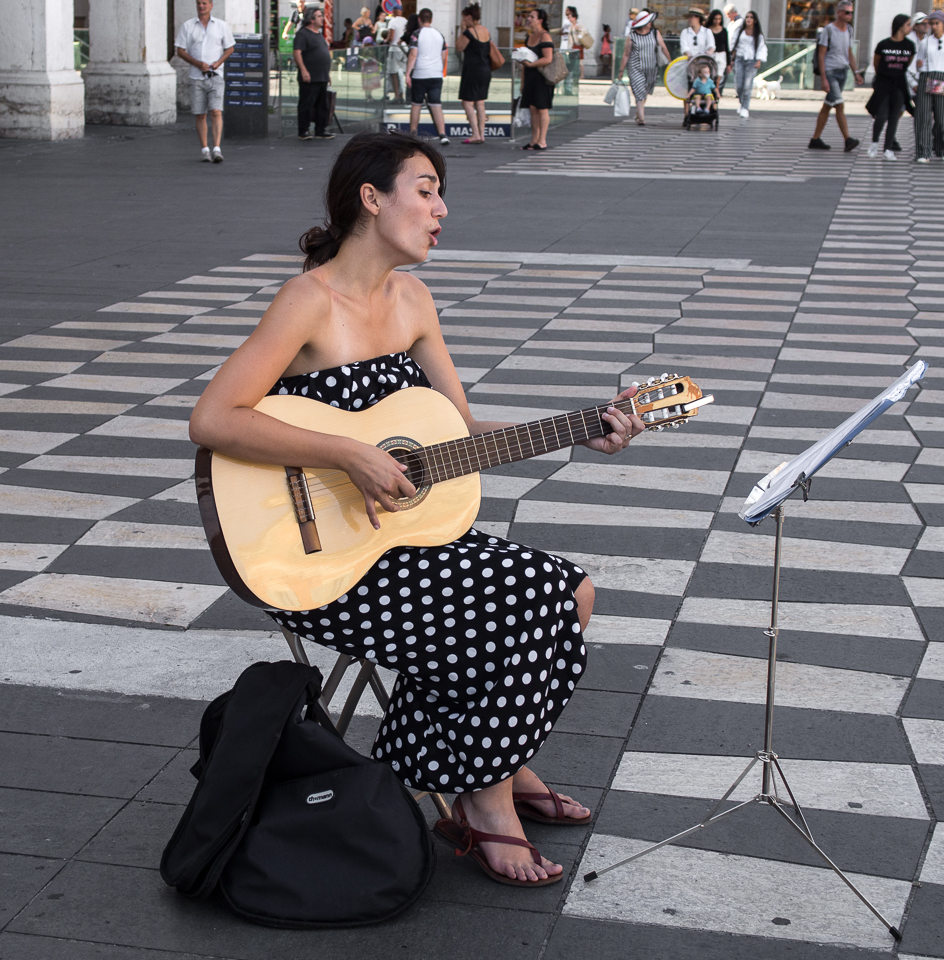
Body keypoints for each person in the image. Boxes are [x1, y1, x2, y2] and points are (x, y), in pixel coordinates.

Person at [189, 131, 642, 886]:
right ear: (372, 199)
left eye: (441, 194)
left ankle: (498, 763)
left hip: (400, 543)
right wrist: (348, 453)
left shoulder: (414, 300)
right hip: (322, 561)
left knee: (573, 591)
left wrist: (582, 428)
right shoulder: (310, 300)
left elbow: (455, 430)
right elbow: (212, 418)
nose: (441, 210)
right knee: (511, 608)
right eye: (426, 190)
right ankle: (483, 801)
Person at [175, 0, 236, 164]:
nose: (201, 6)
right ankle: (204, 149)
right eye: (199, 3)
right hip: (197, 77)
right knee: (200, 114)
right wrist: (197, 63)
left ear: (211, 5)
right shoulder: (188, 26)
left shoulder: (220, 25)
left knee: (216, 111)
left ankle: (217, 148)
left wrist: (219, 62)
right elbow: (180, 51)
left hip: (215, 75)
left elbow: (230, 47)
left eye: (204, 3)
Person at [808, 0, 864, 152]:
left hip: (843, 71)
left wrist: (856, 72)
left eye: (851, 12)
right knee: (839, 104)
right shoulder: (829, 30)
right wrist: (824, 78)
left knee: (827, 106)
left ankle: (815, 139)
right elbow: (821, 55)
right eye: (847, 12)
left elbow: (849, 53)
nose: (850, 15)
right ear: (839, 13)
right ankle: (848, 139)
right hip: (830, 72)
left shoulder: (849, 30)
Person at [914, 9, 944, 162]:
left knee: (941, 118)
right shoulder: (925, 42)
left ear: (943, 24)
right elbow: (919, 65)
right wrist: (919, 66)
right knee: (923, 117)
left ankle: (942, 147)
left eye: (937, 23)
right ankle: (923, 151)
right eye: (931, 24)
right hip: (927, 77)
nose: (934, 26)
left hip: (943, 78)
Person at [867, 13, 914, 160]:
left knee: (894, 117)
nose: (910, 28)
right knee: (881, 116)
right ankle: (874, 144)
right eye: (908, 24)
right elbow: (876, 63)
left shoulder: (909, 45)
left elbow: (907, 64)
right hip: (884, 84)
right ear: (900, 26)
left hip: (899, 84)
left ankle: (887, 149)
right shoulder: (884, 44)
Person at [406, 8, 450, 145]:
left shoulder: (416, 34)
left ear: (419, 19)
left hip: (420, 73)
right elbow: (444, 55)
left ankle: (413, 134)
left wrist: (408, 73)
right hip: (436, 74)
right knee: (436, 104)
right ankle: (442, 134)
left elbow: (413, 54)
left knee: (416, 104)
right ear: (431, 19)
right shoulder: (439, 34)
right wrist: (440, 69)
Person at [519, 7, 557, 149]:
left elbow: (548, 58)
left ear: (540, 20)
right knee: (532, 108)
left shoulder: (545, 36)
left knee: (542, 108)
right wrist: (522, 81)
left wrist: (532, 64)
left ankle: (542, 140)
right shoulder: (529, 37)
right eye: (529, 16)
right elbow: (524, 60)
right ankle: (534, 140)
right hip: (530, 76)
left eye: (532, 17)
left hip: (542, 76)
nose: (528, 19)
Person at [625, 9, 671, 126]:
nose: (650, 23)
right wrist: (621, 71)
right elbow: (626, 54)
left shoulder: (655, 33)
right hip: (635, 66)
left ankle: (638, 112)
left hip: (651, 67)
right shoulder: (632, 36)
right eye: (648, 21)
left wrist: (670, 62)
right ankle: (641, 117)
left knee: (645, 91)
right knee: (639, 89)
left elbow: (663, 47)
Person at [294, 7, 334, 140]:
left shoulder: (319, 34)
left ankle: (320, 130)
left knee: (323, 105)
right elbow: (297, 52)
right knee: (306, 103)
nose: (322, 18)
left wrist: (327, 74)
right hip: (310, 76)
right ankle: (303, 130)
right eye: (318, 16)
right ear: (311, 19)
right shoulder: (303, 34)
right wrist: (304, 70)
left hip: (321, 75)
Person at [457, 4, 494, 144]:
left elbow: (459, 47)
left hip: (472, 70)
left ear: (468, 17)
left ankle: (475, 133)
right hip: (485, 69)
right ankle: (482, 134)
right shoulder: (485, 30)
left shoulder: (469, 32)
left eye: (464, 18)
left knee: (467, 102)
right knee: (480, 102)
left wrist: (462, 30)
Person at [730, 10, 766, 118]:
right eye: (747, 17)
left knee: (747, 85)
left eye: (751, 17)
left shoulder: (758, 34)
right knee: (738, 85)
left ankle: (745, 107)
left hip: (751, 60)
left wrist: (759, 60)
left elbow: (761, 47)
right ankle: (741, 103)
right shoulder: (739, 31)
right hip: (740, 59)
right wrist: (732, 58)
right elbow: (733, 43)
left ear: (754, 20)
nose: (748, 19)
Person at [384, 1, 409, 102]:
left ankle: (397, 95)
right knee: (402, 73)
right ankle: (403, 94)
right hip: (404, 48)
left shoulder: (392, 22)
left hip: (394, 48)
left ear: (394, 11)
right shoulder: (406, 21)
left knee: (393, 73)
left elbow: (391, 37)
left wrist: (385, 41)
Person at [706, 9, 729, 89]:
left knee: (719, 75)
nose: (717, 21)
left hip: (721, 54)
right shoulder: (707, 30)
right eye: (715, 19)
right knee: (710, 74)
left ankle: (717, 90)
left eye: (719, 19)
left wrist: (728, 63)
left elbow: (726, 46)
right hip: (711, 54)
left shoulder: (724, 31)